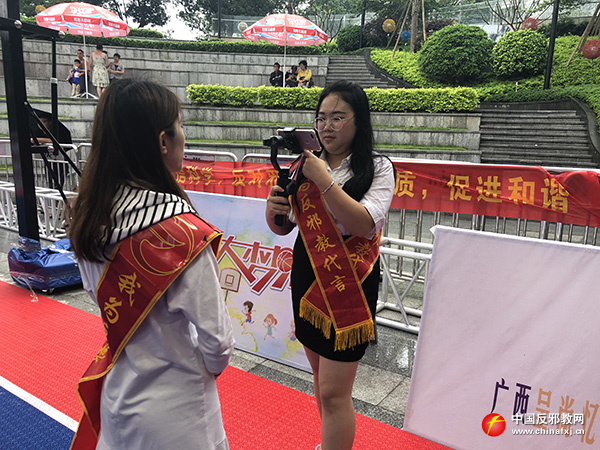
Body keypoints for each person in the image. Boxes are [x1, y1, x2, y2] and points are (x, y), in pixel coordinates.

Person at [68, 79, 235, 450]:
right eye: (180, 125)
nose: (183, 136)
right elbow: (218, 342)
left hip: (119, 402)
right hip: (180, 415)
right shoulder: (182, 233)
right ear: (163, 141)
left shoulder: (88, 220)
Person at [265, 80, 395, 450]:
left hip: (350, 280)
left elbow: (364, 223)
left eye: (337, 117)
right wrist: (273, 210)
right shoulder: (301, 166)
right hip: (307, 276)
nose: (326, 126)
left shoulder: (378, 168)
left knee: (335, 393)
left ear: (359, 121)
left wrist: (323, 180)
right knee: (321, 380)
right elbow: (284, 226)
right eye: (321, 118)